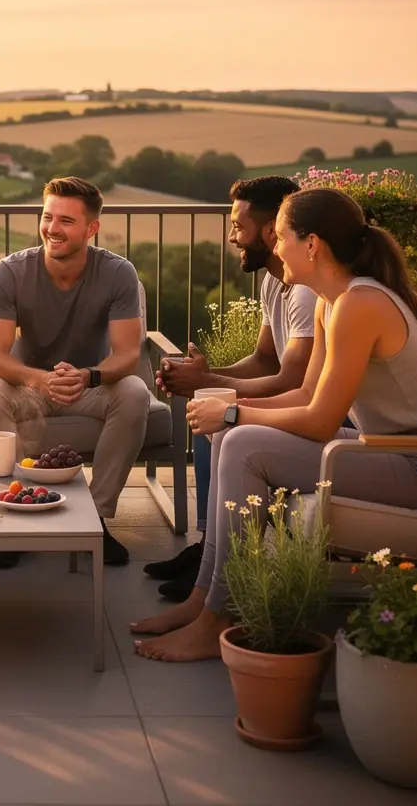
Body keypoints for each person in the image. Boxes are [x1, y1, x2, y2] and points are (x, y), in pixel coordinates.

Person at [131, 187, 417, 662]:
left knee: (244, 441)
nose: (274, 247)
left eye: (283, 237)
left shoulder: (360, 304)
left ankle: (218, 617)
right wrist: (225, 399)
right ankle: (203, 604)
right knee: (235, 436)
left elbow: (320, 420)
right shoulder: (330, 301)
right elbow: (304, 395)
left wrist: (231, 412)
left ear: (311, 244)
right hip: (385, 449)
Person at [146, 176, 316, 601]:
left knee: (220, 413)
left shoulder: (307, 293)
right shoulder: (273, 281)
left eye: (239, 226)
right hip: (291, 396)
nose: (231, 237)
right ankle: (209, 546)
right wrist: (204, 375)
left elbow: (293, 380)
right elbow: (263, 360)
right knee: (213, 407)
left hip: (322, 409)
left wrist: (207, 382)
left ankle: (218, 559)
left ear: (268, 229)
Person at [0, 176, 151, 569]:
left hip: (89, 384)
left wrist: (88, 376)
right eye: (47, 217)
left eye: (66, 221)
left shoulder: (118, 273)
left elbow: (127, 354)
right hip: (32, 385)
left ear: (92, 228)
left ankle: (96, 519)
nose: (52, 229)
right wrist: (39, 379)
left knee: (135, 391)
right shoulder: (9, 272)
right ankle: (12, 513)